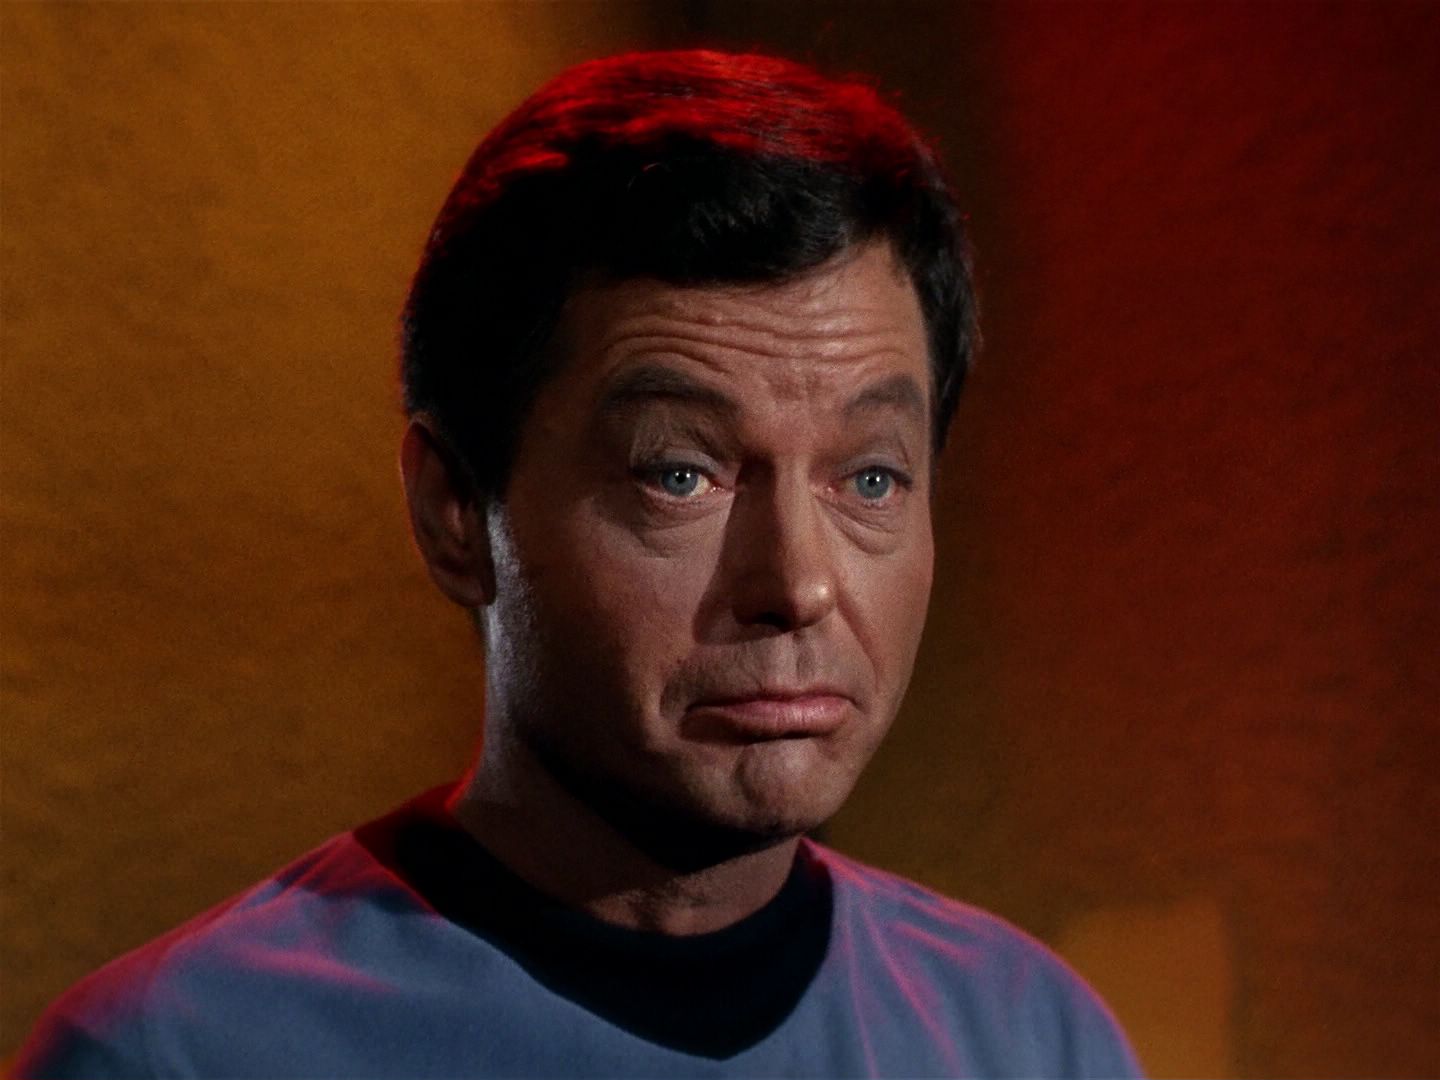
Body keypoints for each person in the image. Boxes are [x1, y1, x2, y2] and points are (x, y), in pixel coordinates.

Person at [15, 50, 1143, 1078]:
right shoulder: (175, 1055)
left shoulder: (1033, 1041)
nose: (798, 585)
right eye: (681, 474)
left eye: (872, 479)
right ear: (456, 513)